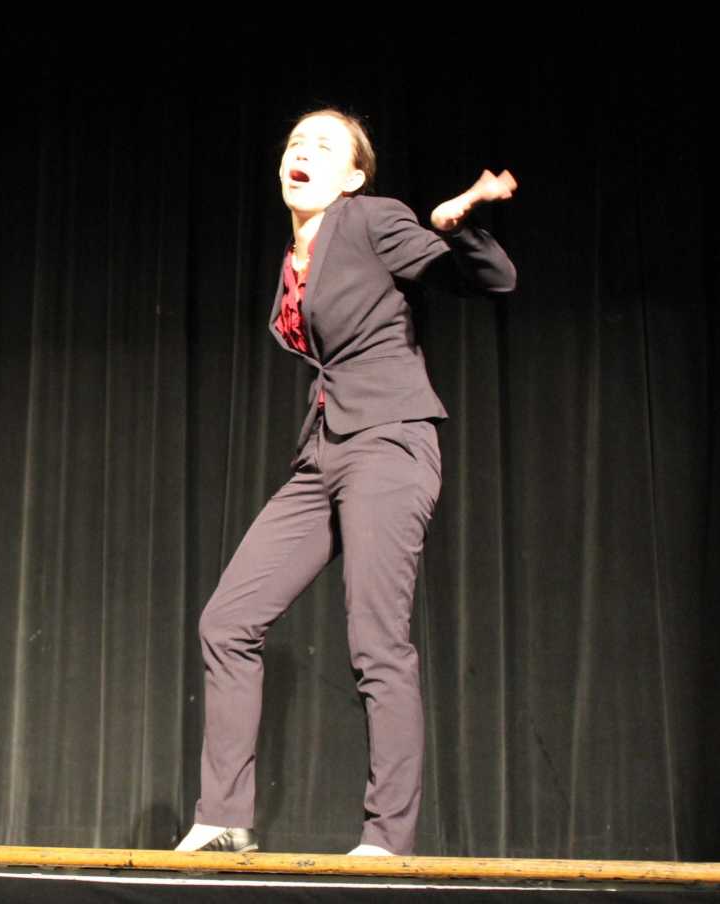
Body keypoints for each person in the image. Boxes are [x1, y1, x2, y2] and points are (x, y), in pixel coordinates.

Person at [176, 109, 516, 856]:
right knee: (227, 622)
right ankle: (224, 816)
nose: (301, 151)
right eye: (295, 142)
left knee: (376, 643)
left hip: (389, 441)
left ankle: (387, 836)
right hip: (324, 451)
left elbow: (493, 280)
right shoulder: (294, 258)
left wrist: (458, 225)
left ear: (353, 177)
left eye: (323, 145)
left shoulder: (369, 219)